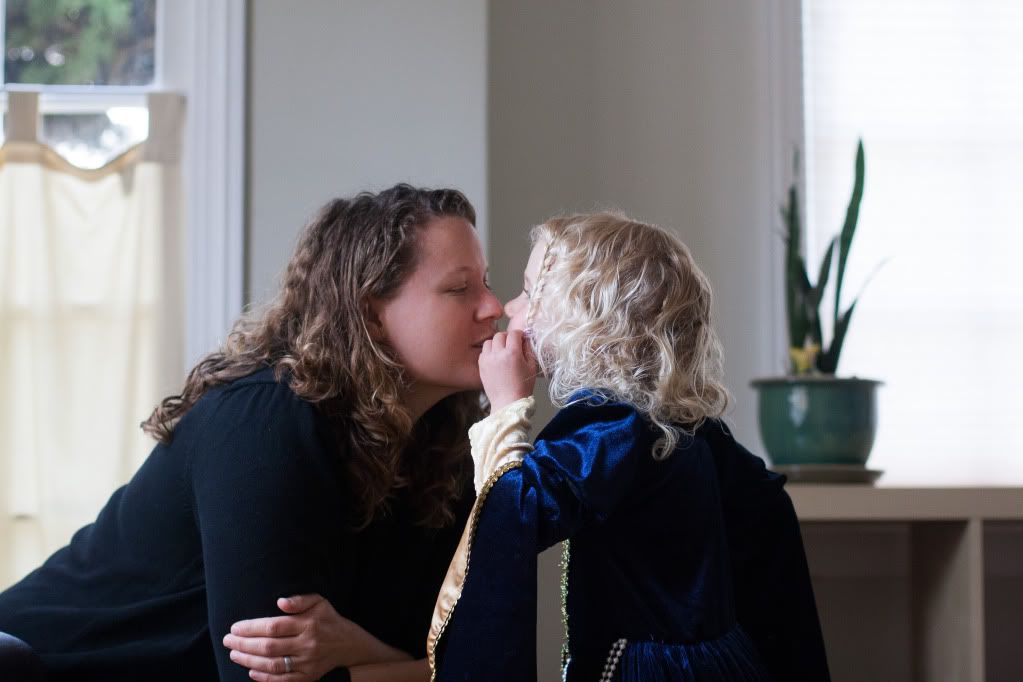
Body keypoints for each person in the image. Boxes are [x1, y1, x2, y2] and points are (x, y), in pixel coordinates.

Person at [0, 183, 504, 682]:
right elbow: (262, 678)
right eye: (460, 289)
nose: (492, 307)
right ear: (371, 314)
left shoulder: (440, 449)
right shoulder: (266, 420)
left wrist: (358, 649)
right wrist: (404, 665)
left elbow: (474, 658)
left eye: (485, 283)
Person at [428, 212, 830, 681]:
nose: (510, 308)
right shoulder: (679, 422)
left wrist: (506, 406)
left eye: (530, 291)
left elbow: (519, 511)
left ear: (585, 315)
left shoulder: (610, 426)